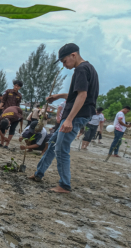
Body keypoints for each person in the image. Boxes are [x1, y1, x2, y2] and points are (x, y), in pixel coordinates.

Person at [28, 43, 98, 193]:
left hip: (77, 116)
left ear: (73, 55)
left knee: (61, 148)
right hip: (78, 114)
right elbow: (76, 95)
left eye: (64, 61)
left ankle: (64, 185)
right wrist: (58, 96)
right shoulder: (89, 68)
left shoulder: (81, 69)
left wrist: (69, 119)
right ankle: (38, 173)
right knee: (53, 143)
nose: (64, 65)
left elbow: (83, 96)